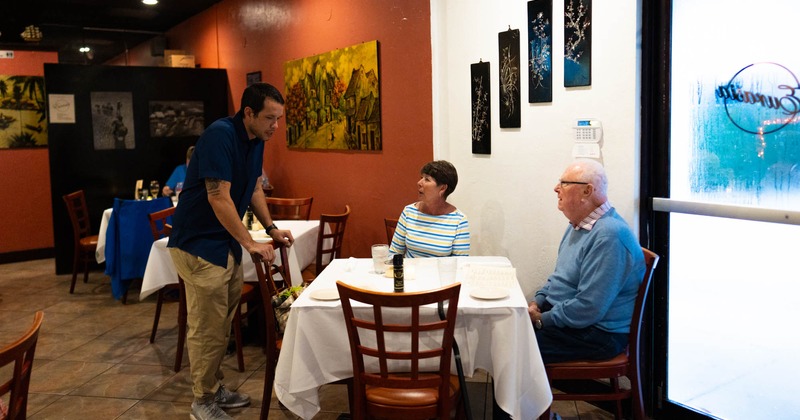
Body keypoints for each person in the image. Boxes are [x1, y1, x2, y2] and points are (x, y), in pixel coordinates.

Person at [167, 82, 295, 420]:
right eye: (270, 118)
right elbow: (217, 196)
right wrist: (251, 243)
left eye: (279, 119)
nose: (275, 127)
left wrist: (270, 228)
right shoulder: (219, 136)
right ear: (249, 113)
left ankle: (213, 386)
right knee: (207, 326)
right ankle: (202, 401)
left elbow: (253, 186)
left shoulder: (257, 139)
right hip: (197, 244)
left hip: (223, 243)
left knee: (223, 323)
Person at [529, 159, 645, 363]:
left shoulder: (610, 235)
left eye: (564, 183)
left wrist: (541, 320)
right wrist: (537, 303)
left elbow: (588, 308)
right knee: (508, 333)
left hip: (599, 332)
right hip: (570, 319)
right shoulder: (578, 225)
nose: (556, 189)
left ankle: (528, 395)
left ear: (587, 191)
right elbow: (559, 278)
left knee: (514, 348)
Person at [389, 160, 470, 257]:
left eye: (427, 179)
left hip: (441, 272)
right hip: (411, 271)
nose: (419, 183)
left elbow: (459, 264)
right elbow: (394, 253)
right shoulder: (409, 212)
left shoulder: (459, 220)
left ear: (442, 188)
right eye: (421, 178)